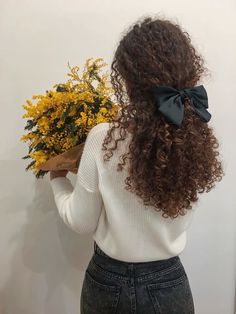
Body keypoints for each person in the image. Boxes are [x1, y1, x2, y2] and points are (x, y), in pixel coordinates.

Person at [49, 15, 224, 314]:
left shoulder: (105, 137)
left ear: (128, 78)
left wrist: (57, 178)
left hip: (108, 284)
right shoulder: (193, 137)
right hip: (168, 284)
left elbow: (81, 221)